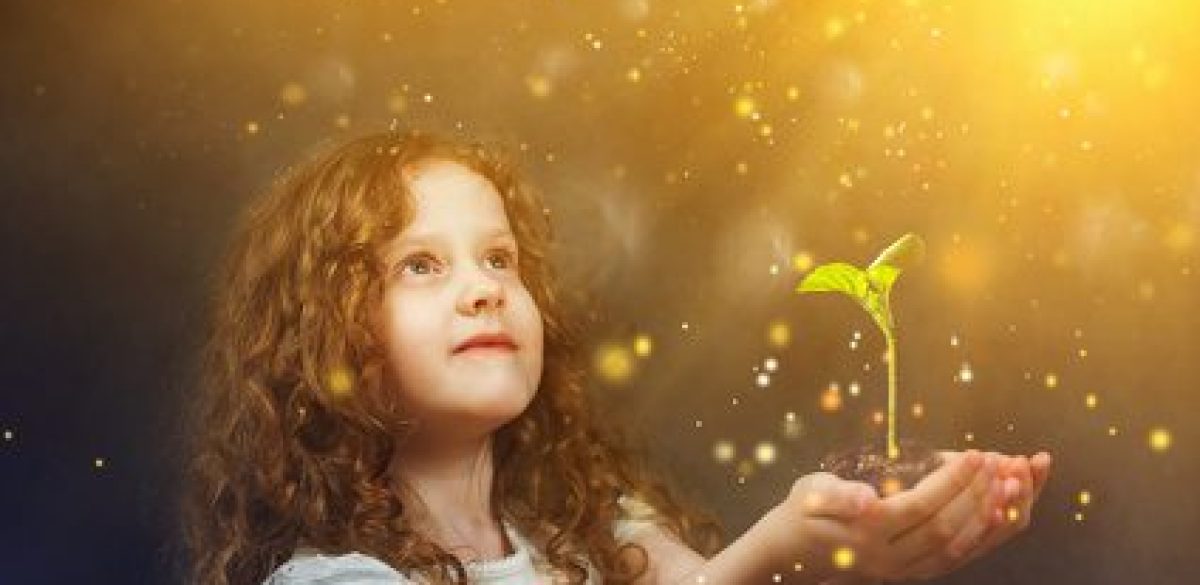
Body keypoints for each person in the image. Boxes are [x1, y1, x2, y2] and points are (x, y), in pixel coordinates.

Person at [183, 130, 1052, 584]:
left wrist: (835, 541)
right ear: (326, 331)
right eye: (421, 266)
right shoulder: (335, 580)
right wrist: (789, 544)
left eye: (500, 259)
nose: (484, 288)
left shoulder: (592, 526)